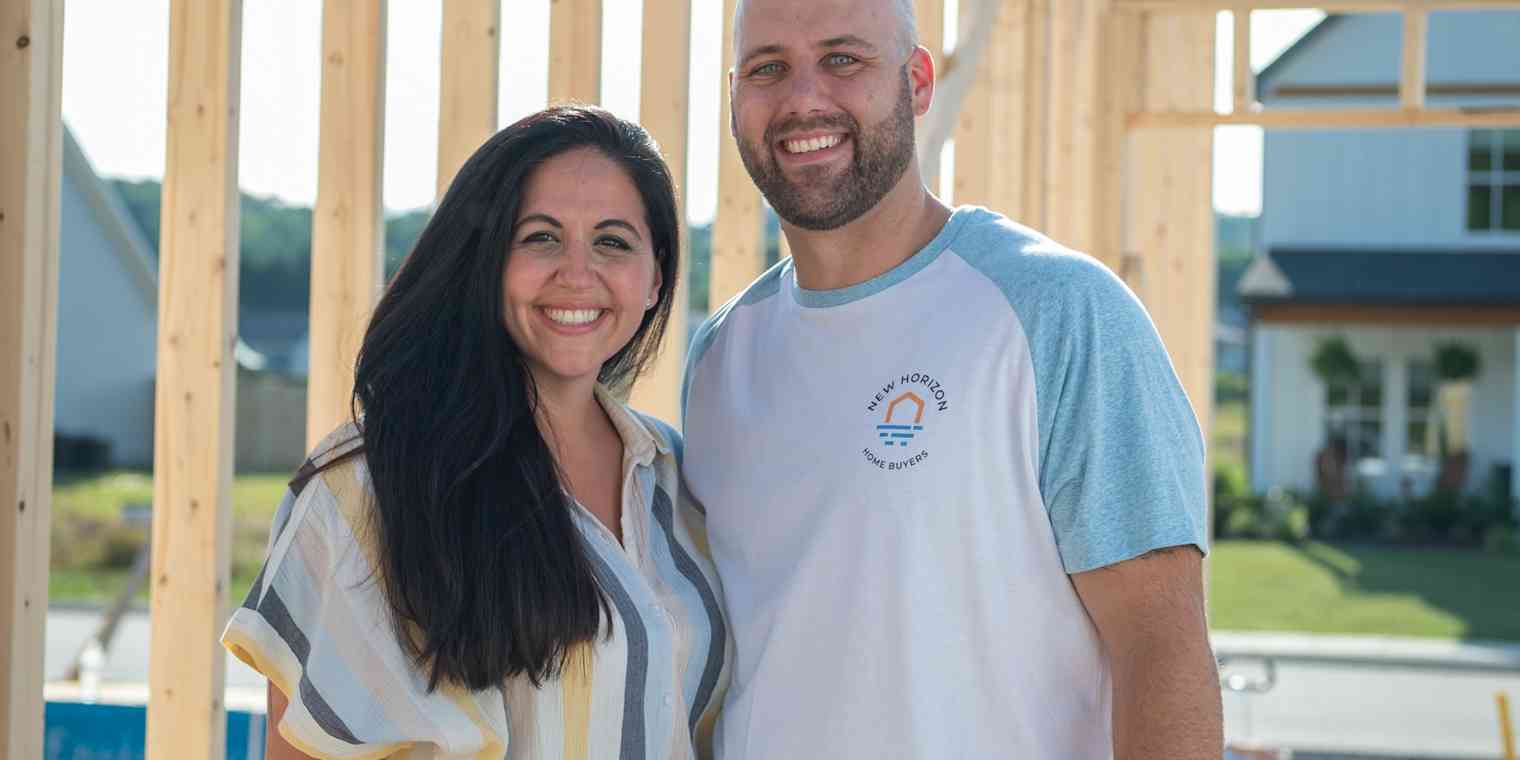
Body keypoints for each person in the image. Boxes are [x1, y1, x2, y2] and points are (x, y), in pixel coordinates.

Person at [679, 1, 1222, 757]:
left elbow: (1161, 650)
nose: (803, 98)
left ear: (918, 81)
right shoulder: (720, 358)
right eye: (769, 68)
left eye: (843, 59)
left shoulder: (1057, 311)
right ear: (735, 97)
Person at [223, 106, 731, 760]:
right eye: (541, 237)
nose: (577, 273)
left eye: (612, 242)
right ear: (485, 262)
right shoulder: (369, 486)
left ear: (655, 277)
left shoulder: (677, 478)